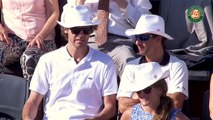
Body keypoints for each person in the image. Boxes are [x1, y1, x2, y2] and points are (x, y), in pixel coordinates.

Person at [22, 5, 118, 120]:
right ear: (65, 30)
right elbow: (32, 101)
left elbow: (111, 107)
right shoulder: (48, 60)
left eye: (86, 30)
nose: (81, 35)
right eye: (76, 30)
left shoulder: (105, 62)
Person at [117, 14, 189, 113]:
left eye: (143, 37)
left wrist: (137, 98)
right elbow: (122, 106)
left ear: (159, 39)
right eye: (136, 37)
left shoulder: (177, 65)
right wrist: (162, 98)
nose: (137, 42)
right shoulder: (131, 66)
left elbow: (176, 103)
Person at [68, 0, 152, 78]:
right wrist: (80, 3)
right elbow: (67, 18)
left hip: (121, 43)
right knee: (74, 62)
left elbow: (147, 22)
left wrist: (122, 3)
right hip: (88, 40)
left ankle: (128, 94)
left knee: (129, 64)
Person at [0, 0, 59, 80]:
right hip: (13, 38)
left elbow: (54, 14)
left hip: (42, 39)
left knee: (30, 58)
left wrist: (41, 36)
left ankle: (31, 92)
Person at [120, 62, 189, 120]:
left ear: (159, 89)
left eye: (147, 90)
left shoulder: (176, 117)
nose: (142, 94)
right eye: (138, 91)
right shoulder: (129, 114)